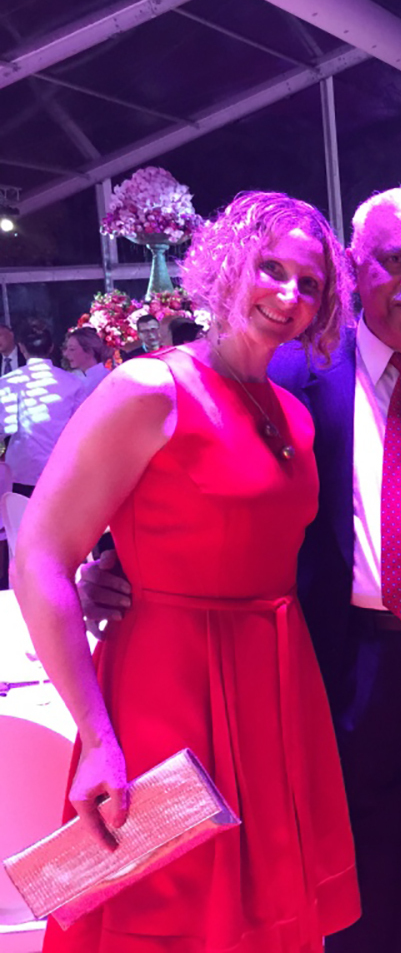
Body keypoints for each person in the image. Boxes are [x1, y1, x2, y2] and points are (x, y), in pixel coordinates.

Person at [82, 187, 401, 953]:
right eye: (394, 260)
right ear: (356, 267)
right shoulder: (289, 377)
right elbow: (209, 479)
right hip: (344, 665)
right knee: (361, 888)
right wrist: (113, 563)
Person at [15, 191, 361, 951]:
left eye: (309, 283)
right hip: (168, 691)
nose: (288, 294)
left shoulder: (291, 413)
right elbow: (38, 554)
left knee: (262, 913)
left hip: (275, 685)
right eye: (271, 269)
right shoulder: (149, 389)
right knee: (166, 909)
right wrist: (96, 736)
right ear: (227, 265)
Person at [0, 321, 89, 495]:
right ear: (51, 347)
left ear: (22, 348)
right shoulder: (73, 382)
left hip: (23, 470)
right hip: (63, 469)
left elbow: (4, 427)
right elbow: (83, 426)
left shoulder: (9, 382)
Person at [64, 326, 111, 393]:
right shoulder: (69, 378)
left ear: (89, 351)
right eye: (66, 349)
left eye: (72, 349)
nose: (66, 354)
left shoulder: (107, 378)